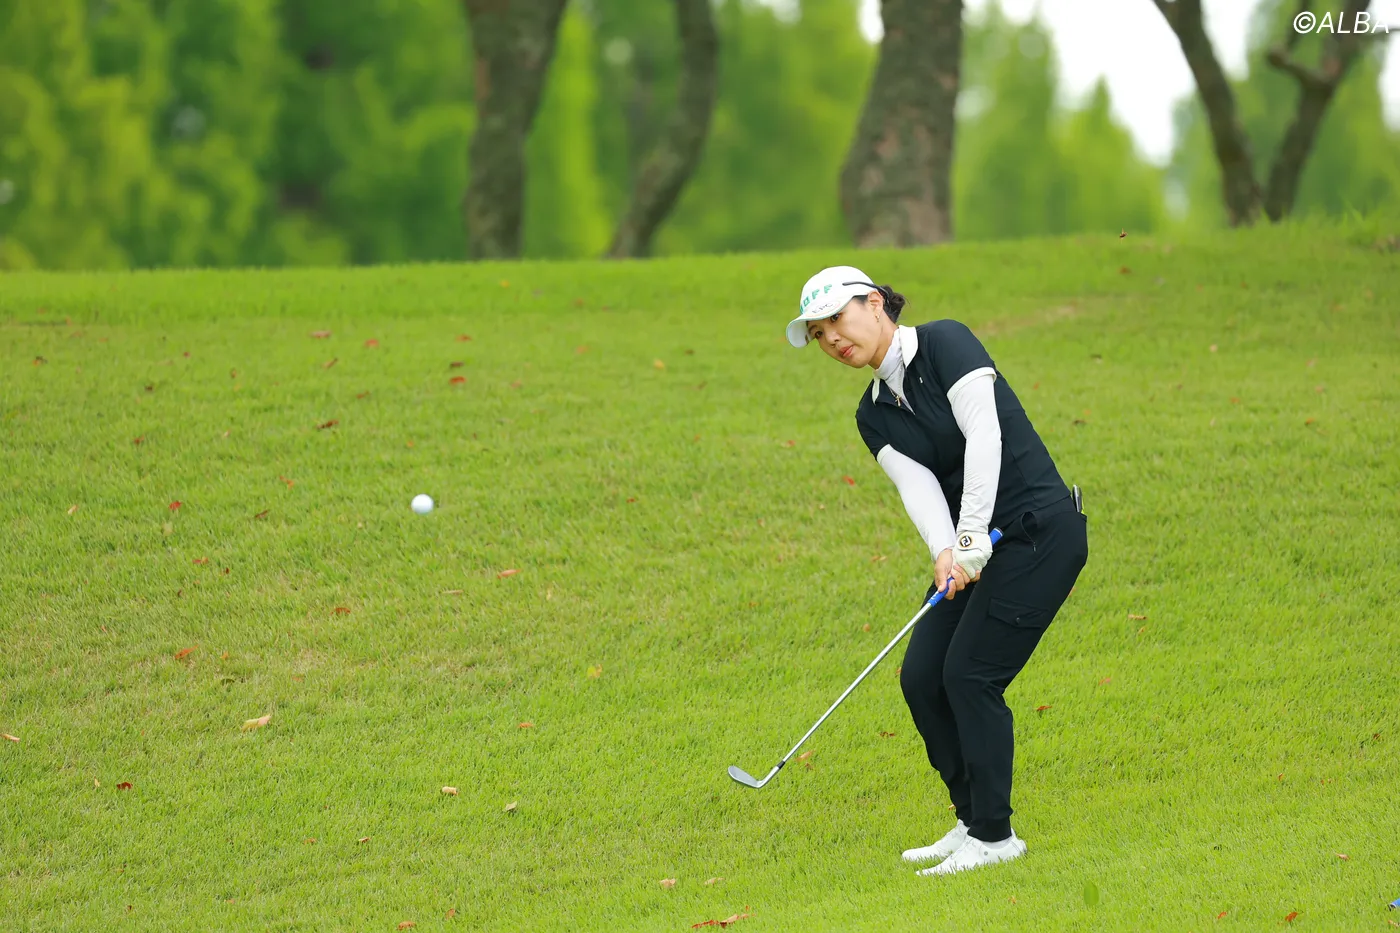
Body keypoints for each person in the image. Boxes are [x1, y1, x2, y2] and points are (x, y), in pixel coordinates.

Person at [786, 265, 1088, 876]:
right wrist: (946, 550)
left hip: (1038, 533)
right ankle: (971, 821)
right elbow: (918, 487)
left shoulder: (948, 342)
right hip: (975, 549)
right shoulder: (872, 415)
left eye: (837, 319)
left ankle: (996, 838)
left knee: (969, 676)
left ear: (875, 304)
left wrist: (971, 534)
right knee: (923, 677)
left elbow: (984, 437)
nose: (832, 339)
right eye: (818, 334)